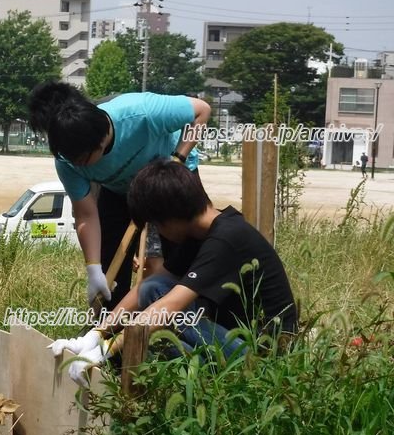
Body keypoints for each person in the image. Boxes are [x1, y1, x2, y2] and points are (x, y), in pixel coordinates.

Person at [51, 160, 298, 386]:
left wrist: (106, 350)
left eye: (156, 224)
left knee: (153, 310)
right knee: (148, 314)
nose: (159, 231)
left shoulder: (228, 238)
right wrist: (96, 335)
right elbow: (147, 287)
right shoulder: (201, 232)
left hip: (262, 357)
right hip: (231, 342)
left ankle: (209, 384)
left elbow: (168, 304)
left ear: (170, 217)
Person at [28, 82, 211, 310]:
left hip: (170, 177)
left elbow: (202, 110)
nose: (78, 166)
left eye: (83, 161)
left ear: (101, 141)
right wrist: (93, 269)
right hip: (121, 190)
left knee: (181, 252)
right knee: (110, 256)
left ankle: (190, 320)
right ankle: (110, 330)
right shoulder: (67, 160)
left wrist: (178, 158)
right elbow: (86, 214)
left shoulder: (142, 111)